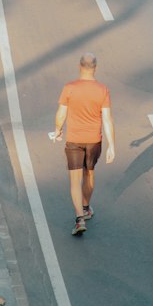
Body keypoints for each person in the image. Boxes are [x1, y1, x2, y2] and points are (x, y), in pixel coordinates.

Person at [52, 53, 115, 238]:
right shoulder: (102, 89)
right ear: (95, 68)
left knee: (74, 181)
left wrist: (57, 129)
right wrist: (112, 145)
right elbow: (107, 119)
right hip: (94, 140)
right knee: (89, 174)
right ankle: (87, 207)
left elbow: (61, 114)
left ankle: (79, 218)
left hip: (74, 140)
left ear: (80, 66)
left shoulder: (69, 88)